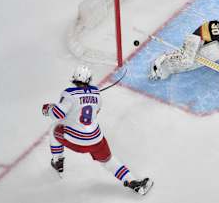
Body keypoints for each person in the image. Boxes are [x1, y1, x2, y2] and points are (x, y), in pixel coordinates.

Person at [42, 65, 153, 195]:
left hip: (77, 141)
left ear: (74, 79)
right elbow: (96, 111)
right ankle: (133, 182)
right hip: (96, 139)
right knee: (108, 161)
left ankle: (57, 162)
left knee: (54, 130)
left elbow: (58, 114)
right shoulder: (96, 92)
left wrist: (47, 108)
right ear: (89, 80)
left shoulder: (69, 93)